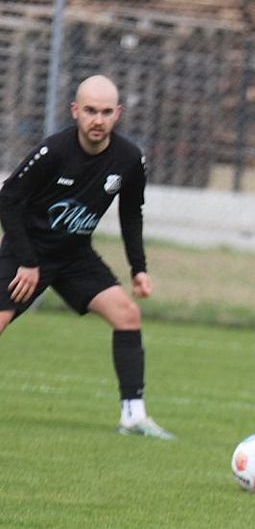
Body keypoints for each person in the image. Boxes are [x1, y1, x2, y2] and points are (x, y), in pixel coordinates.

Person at [0, 75, 174, 439]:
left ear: (118, 114)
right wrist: (28, 261)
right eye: (91, 111)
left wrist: (139, 269)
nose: (98, 120)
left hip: (75, 255)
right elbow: (8, 199)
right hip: (28, 252)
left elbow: (131, 213)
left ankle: (134, 417)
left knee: (127, 315)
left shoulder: (129, 158)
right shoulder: (53, 151)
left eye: (106, 112)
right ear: (75, 111)